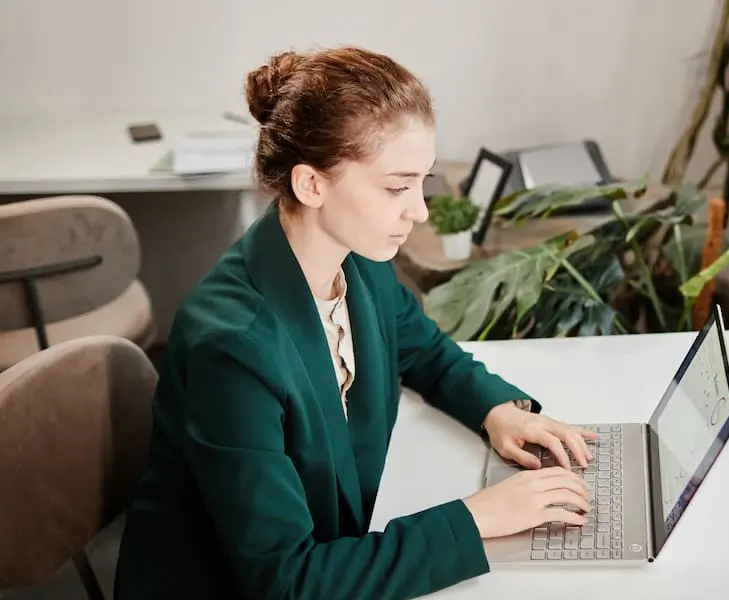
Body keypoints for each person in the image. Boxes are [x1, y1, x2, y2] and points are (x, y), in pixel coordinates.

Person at [114, 46, 595, 600]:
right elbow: (288, 581)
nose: (419, 211)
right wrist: (476, 518)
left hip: (336, 547)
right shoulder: (231, 347)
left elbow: (423, 351)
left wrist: (497, 411)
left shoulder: (358, 261)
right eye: (396, 187)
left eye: (422, 183)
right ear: (312, 185)